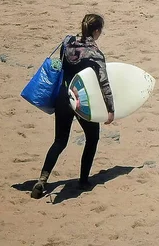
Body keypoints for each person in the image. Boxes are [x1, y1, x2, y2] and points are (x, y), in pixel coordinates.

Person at [31, 14, 115, 199]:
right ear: (96, 31)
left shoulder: (67, 42)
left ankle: (42, 180)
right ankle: (83, 180)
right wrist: (110, 110)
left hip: (63, 96)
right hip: (82, 100)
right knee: (92, 138)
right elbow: (104, 83)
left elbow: (63, 65)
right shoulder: (95, 54)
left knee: (60, 141)